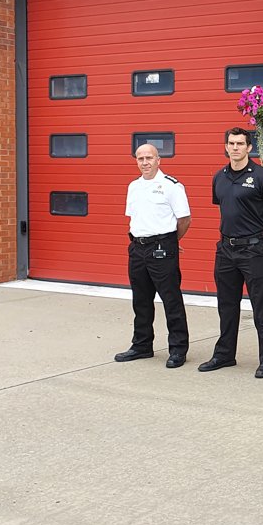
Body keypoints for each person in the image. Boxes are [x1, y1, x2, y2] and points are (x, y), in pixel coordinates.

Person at [201, 127, 263, 379]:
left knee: (261, 306)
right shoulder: (219, 177)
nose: (235, 147)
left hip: (253, 250)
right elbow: (226, 208)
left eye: (240, 144)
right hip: (226, 249)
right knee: (227, 305)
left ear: (249, 147)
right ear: (226, 147)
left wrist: (262, 238)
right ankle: (224, 354)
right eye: (231, 143)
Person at [114, 143, 192, 368]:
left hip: (162, 248)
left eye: (149, 158)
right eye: (140, 158)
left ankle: (178, 349)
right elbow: (136, 218)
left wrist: (170, 242)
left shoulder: (171, 186)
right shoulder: (133, 186)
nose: (145, 162)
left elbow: (184, 219)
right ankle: (142, 345)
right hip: (137, 248)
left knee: (171, 300)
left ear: (159, 160)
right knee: (141, 300)